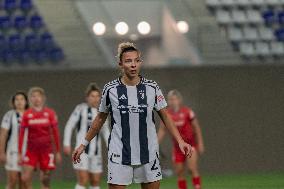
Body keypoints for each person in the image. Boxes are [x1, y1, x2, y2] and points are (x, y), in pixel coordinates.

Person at [72, 42, 193, 189]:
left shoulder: (152, 87)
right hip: (119, 153)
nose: (133, 65)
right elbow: (100, 118)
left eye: (136, 60)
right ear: (120, 64)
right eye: (128, 61)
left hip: (148, 152)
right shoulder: (110, 89)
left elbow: (166, 116)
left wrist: (180, 141)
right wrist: (83, 144)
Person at [63, 83, 110, 189]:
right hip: (81, 151)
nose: (95, 99)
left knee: (95, 181)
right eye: (92, 96)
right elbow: (69, 126)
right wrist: (66, 143)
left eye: (97, 96)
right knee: (83, 179)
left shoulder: (102, 112)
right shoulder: (80, 109)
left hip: (96, 152)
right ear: (87, 98)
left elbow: (106, 131)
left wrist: (110, 147)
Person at [158, 90, 205, 189]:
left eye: (174, 99)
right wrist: (156, 143)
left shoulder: (188, 112)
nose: (172, 101)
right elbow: (162, 130)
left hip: (190, 145)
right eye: (170, 99)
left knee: (192, 169)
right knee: (179, 172)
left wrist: (200, 143)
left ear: (179, 100)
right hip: (177, 148)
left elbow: (196, 128)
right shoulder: (167, 115)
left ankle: (197, 186)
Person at [18, 87, 62, 189]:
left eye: (38, 96)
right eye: (33, 96)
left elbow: (55, 133)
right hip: (31, 150)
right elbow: (21, 134)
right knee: (25, 177)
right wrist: (20, 152)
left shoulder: (50, 113)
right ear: (30, 99)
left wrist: (58, 151)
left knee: (45, 180)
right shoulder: (27, 114)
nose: (36, 98)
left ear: (43, 98)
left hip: (46, 151)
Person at [0, 91, 29, 189]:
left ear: (26, 102)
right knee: (12, 181)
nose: (19, 102)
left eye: (22, 99)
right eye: (17, 99)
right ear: (13, 102)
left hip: (27, 152)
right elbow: (3, 135)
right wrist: (1, 152)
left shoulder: (31, 115)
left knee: (24, 182)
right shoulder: (9, 115)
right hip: (13, 152)